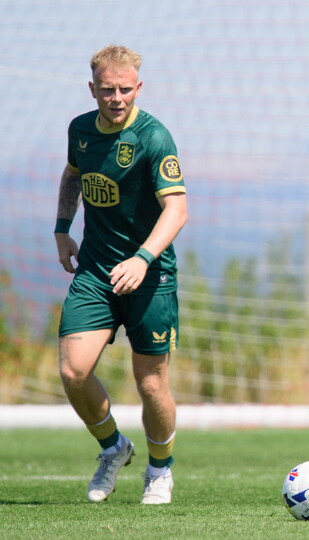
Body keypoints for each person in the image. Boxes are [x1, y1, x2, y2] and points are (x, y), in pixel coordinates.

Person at [54, 44, 187, 504]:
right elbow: (73, 175)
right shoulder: (80, 131)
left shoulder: (154, 137)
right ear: (92, 88)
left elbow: (177, 208)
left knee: (151, 382)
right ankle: (114, 448)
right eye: (107, 90)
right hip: (94, 270)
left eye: (125, 90)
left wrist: (143, 257)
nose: (116, 98)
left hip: (151, 277)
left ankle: (160, 469)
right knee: (73, 370)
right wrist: (61, 229)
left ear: (138, 88)